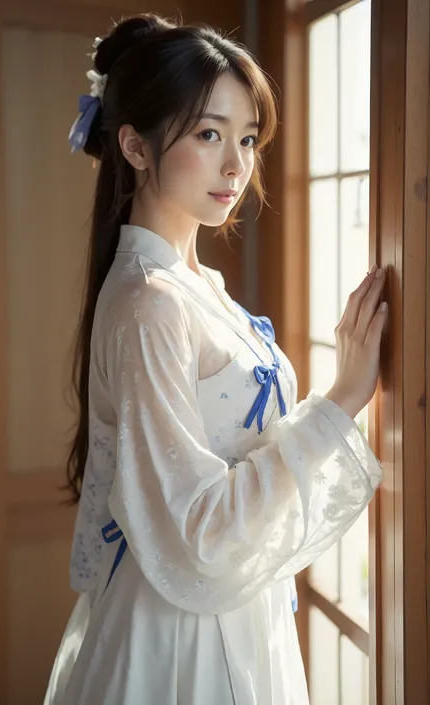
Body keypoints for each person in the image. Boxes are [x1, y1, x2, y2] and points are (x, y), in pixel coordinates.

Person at [44, 12, 387, 705]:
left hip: (233, 613)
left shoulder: (196, 288)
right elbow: (194, 529)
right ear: (136, 147)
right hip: (179, 638)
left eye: (248, 137)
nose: (237, 164)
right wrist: (338, 402)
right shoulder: (152, 303)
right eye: (209, 134)